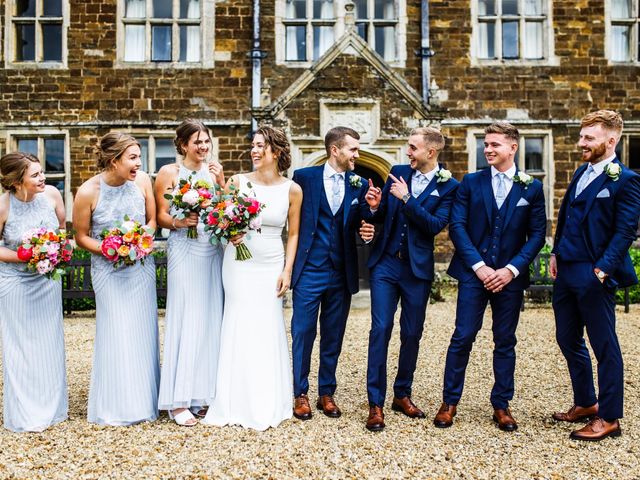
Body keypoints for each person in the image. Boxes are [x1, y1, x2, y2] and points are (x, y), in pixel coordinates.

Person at [434, 122, 546, 432]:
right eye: (486, 144)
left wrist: (510, 270)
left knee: (505, 341)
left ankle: (501, 404)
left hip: (509, 278)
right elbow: (457, 226)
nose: (488, 149)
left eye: (495, 144)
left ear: (513, 148)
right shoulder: (471, 182)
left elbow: (537, 235)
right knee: (463, 336)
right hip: (474, 276)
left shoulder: (531, 187)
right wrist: (479, 267)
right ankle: (449, 401)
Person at [203, 125, 302, 430]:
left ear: (277, 152)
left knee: (268, 324)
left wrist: (287, 270)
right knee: (239, 322)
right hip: (239, 263)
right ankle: (234, 400)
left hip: (271, 264)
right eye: (254, 145)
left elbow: (294, 232)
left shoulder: (292, 189)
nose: (254, 151)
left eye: (261, 146)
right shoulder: (238, 182)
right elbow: (219, 214)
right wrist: (230, 231)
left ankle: (269, 399)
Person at [550, 110, 640, 441]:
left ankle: (610, 416)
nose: (581, 143)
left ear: (611, 140)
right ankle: (586, 402)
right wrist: (556, 253)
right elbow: (566, 216)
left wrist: (602, 270)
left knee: (605, 345)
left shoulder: (626, 179)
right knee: (566, 337)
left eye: (589, 138)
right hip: (566, 270)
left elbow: (626, 230)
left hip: (594, 273)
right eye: (581, 136)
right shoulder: (580, 172)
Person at [362, 126, 459, 431]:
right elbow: (380, 216)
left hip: (417, 270)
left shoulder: (449, 187)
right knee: (380, 328)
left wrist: (407, 198)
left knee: (412, 333)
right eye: (408, 146)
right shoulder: (397, 171)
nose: (408, 152)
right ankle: (375, 403)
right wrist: (374, 206)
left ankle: (401, 394)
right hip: (386, 265)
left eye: (413, 147)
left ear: (431, 152)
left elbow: (433, 226)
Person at [73, 132, 160, 426]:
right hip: (107, 271)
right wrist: (110, 249)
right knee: (115, 330)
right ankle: (113, 405)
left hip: (140, 268)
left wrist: (138, 241)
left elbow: (152, 221)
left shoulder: (144, 181)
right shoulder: (88, 191)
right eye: (133, 158)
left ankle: (143, 402)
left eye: (139, 157)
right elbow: (81, 237)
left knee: (141, 330)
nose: (139, 163)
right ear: (114, 160)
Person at [290, 126, 374, 421]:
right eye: (353, 149)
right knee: (302, 332)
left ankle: (327, 391)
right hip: (309, 269)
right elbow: (294, 223)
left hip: (341, 271)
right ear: (334, 150)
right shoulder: (304, 178)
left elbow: (366, 220)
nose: (357, 155)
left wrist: (370, 224)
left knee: (333, 335)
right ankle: (300, 392)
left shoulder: (359, 183)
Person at [155, 119, 225, 427]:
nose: (203, 147)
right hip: (184, 247)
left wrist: (221, 185)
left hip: (211, 249)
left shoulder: (214, 171)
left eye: (206, 141)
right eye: (197, 141)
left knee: (210, 318)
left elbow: (227, 207)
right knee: (186, 316)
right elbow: (159, 215)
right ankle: (178, 398)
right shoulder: (169, 173)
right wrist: (179, 223)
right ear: (183, 144)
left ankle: (202, 395)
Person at [0, 152, 68, 432]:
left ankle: (52, 408)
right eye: (36, 175)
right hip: (15, 282)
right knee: (19, 347)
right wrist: (26, 255)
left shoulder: (52, 195)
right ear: (17, 182)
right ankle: (25, 411)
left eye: (42, 172)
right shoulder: (3, 206)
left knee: (48, 343)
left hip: (47, 281)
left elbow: (63, 229)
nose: (44, 178)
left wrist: (60, 249)